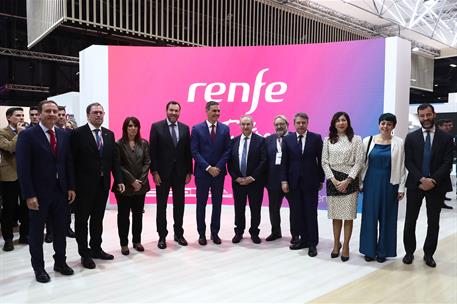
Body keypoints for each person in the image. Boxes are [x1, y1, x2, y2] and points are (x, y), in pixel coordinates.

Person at [16, 100, 76, 283]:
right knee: (36, 234)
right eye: (48, 111)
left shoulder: (64, 135)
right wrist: (29, 194)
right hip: (38, 194)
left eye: (55, 111)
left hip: (61, 192)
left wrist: (71, 186)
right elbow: (23, 167)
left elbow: (68, 163)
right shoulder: (28, 135)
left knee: (60, 230)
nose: (52, 114)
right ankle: (39, 268)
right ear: (40, 114)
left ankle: (60, 262)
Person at [71, 102, 125, 269]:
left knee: (97, 220)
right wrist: (72, 186)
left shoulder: (109, 134)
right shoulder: (78, 133)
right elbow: (71, 162)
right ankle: (84, 253)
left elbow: (114, 161)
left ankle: (96, 248)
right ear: (88, 115)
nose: (99, 115)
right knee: (82, 221)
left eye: (101, 112)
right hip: (83, 187)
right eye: (95, 112)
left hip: (103, 186)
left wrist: (120, 180)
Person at [403, 104, 453, 268]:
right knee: (410, 220)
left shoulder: (445, 138)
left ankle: (429, 254)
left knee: (433, 222)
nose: (425, 118)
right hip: (415, 184)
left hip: (436, 186)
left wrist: (433, 181)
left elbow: (447, 163)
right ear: (418, 116)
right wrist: (422, 179)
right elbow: (408, 161)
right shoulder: (411, 138)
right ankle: (409, 252)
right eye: (422, 115)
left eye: (428, 115)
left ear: (434, 114)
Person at [359, 113, 405, 263]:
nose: (385, 126)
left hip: (390, 184)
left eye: (389, 124)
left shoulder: (399, 142)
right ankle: (369, 250)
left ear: (393, 126)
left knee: (388, 218)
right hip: (371, 183)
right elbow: (361, 164)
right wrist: (360, 183)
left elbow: (402, 166)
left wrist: (401, 188)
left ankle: (383, 251)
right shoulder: (368, 140)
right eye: (383, 123)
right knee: (369, 218)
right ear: (379, 124)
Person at [150, 101, 192, 249]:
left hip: (180, 174)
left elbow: (188, 152)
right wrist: (154, 172)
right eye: (171, 110)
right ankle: (162, 236)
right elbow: (152, 152)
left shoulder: (185, 128)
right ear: (166, 110)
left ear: (179, 112)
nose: (174, 113)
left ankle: (179, 234)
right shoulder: (156, 127)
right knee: (161, 207)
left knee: (179, 205)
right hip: (162, 175)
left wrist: (189, 172)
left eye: (176, 110)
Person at [321, 112, 363, 262]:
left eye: (343, 120)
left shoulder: (356, 139)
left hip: (350, 180)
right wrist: (333, 179)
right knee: (336, 216)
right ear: (334, 123)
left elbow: (359, 162)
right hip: (333, 180)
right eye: (338, 120)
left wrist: (347, 180)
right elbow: (324, 162)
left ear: (348, 122)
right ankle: (336, 243)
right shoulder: (328, 140)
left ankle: (345, 246)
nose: (341, 123)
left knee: (348, 216)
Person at [281, 112, 324, 257]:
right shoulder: (287, 139)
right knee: (297, 213)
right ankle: (303, 240)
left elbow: (321, 161)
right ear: (294, 124)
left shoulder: (316, 138)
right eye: (298, 122)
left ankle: (312, 243)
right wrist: (284, 180)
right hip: (293, 183)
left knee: (311, 214)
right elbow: (284, 162)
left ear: (307, 123)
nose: (301, 125)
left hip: (311, 182)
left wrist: (320, 180)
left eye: (303, 123)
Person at [191, 101, 231, 245]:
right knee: (201, 204)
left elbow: (227, 151)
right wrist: (208, 167)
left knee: (217, 204)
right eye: (214, 111)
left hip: (218, 174)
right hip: (203, 173)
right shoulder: (196, 129)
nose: (217, 113)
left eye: (218, 111)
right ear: (207, 111)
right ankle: (201, 234)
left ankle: (215, 233)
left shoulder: (225, 129)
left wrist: (218, 168)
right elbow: (194, 151)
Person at [113, 117, 150, 255]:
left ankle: (137, 241)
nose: (133, 128)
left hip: (141, 187)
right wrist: (132, 180)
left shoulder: (144, 143)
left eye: (135, 126)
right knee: (123, 216)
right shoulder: (118, 144)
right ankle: (124, 244)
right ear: (125, 128)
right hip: (124, 186)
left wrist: (140, 181)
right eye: (130, 126)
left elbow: (147, 162)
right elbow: (118, 165)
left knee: (138, 215)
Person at [228, 115, 266, 244]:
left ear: (252, 125)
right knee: (239, 208)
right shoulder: (233, 141)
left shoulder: (261, 141)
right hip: (238, 183)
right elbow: (230, 163)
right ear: (239, 125)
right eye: (243, 124)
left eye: (248, 124)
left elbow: (263, 161)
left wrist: (252, 177)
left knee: (255, 209)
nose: (245, 127)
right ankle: (239, 232)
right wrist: (236, 177)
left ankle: (254, 232)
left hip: (255, 183)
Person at [0, 107, 28, 251]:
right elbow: (10, 148)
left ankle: (24, 235)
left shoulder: (27, 130)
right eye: (18, 115)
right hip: (9, 176)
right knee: (9, 209)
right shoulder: (2, 132)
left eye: (23, 115)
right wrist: (18, 134)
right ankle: (8, 239)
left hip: (25, 175)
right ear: (9, 117)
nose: (21, 118)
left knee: (26, 207)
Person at [265, 115, 293, 242]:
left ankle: (296, 234)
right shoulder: (268, 140)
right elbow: (265, 161)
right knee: (273, 208)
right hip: (273, 181)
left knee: (295, 208)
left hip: (291, 180)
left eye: (282, 124)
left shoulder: (294, 138)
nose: (279, 126)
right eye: (277, 124)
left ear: (287, 124)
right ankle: (275, 232)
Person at [436, 118, 454, 209]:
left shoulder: (448, 136)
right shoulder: (436, 137)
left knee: (445, 184)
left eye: (449, 125)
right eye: (445, 125)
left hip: (446, 165)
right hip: (439, 166)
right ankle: (440, 202)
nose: (448, 127)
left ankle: (441, 200)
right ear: (440, 126)